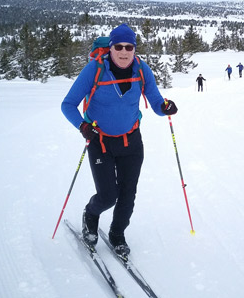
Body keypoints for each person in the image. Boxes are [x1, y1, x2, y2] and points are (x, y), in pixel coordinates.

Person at [61, 23, 178, 257]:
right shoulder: (94, 70)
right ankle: (91, 215)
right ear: (111, 48)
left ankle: (117, 233)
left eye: (129, 47)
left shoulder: (142, 70)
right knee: (107, 196)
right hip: (100, 142)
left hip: (131, 142)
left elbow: (155, 100)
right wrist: (82, 126)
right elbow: (68, 104)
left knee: (127, 194)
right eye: (118, 47)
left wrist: (164, 107)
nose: (124, 52)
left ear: (135, 49)